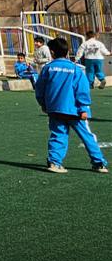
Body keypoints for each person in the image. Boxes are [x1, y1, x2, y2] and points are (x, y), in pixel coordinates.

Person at [34, 36, 108, 174]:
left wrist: (43, 104)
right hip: (75, 111)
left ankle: (54, 163)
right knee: (87, 136)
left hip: (55, 109)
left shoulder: (48, 68)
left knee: (58, 135)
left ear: (52, 52)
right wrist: (83, 108)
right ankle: (99, 163)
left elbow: (39, 89)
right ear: (67, 52)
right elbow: (82, 90)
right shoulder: (75, 69)